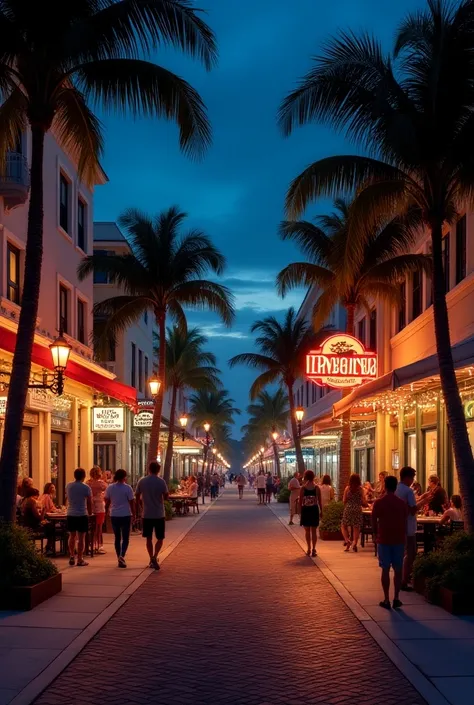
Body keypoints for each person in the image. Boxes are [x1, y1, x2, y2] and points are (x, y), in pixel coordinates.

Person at [372, 476, 408, 610]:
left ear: (385, 486)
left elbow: (374, 520)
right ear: (396, 487)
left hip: (384, 539)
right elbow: (405, 520)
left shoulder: (379, 503)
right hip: (398, 539)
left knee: (385, 569)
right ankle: (396, 597)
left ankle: (386, 598)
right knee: (398, 569)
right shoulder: (402, 503)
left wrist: (376, 534)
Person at [395, 466, 433, 591]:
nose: (413, 480)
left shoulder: (397, 489)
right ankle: (405, 580)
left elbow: (409, 503)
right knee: (411, 553)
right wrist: (424, 501)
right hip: (409, 526)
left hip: (399, 524)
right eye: (412, 477)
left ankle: (400, 578)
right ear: (407, 477)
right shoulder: (408, 491)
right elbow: (412, 510)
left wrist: (422, 497)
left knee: (402, 553)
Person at [135, 461, 169, 570]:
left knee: (148, 538)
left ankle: (151, 558)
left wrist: (140, 506)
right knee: (160, 538)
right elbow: (166, 496)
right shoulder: (161, 482)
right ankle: (155, 556)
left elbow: (137, 495)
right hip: (159, 513)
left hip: (147, 514)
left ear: (148, 469)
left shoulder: (142, 481)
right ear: (158, 470)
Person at [105, 469, 135, 568]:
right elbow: (131, 502)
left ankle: (119, 556)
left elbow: (107, 501)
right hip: (125, 514)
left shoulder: (110, 488)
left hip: (114, 515)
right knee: (125, 538)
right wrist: (134, 514)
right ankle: (122, 556)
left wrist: (106, 512)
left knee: (117, 537)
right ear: (124, 477)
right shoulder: (128, 488)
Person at [66, 468, 92, 567]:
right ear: (84, 476)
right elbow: (89, 502)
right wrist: (90, 512)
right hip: (81, 513)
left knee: (72, 536)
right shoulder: (86, 488)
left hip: (70, 513)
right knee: (81, 537)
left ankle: (72, 555)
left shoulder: (68, 486)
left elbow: (68, 497)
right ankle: (80, 559)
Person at [299, 470, 323, 557]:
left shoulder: (303, 488)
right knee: (314, 531)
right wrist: (321, 511)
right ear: (313, 477)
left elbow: (300, 501)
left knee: (307, 531)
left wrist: (299, 512)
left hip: (305, 510)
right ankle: (314, 549)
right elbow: (320, 501)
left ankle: (308, 548)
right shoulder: (317, 488)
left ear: (305, 477)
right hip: (314, 510)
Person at [341, 474, 367, 552]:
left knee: (343, 525)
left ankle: (347, 540)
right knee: (356, 527)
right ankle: (355, 543)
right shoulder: (361, 490)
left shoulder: (347, 489)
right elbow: (363, 502)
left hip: (348, 508)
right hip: (357, 509)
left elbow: (344, 501)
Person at [87, 466, 108, 554]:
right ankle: (99, 545)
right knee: (99, 527)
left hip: (91, 505)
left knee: (91, 526)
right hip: (100, 505)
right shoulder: (102, 483)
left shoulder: (88, 483)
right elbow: (107, 491)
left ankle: (90, 544)